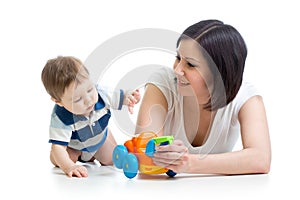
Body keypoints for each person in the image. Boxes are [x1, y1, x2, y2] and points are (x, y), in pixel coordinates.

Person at [135, 19, 271, 175]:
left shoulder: (245, 98)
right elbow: (144, 154)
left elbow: (261, 159)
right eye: (178, 58)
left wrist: (189, 163)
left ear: (219, 73)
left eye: (190, 65)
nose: (177, 70)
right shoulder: (162, 83)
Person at [41, 56, 140, 178]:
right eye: (77, 99)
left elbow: (120, 97)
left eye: (89, 90)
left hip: (99, 140)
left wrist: (129, 97)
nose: (88, 100)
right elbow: (59, 147)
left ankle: (92, 155)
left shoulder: (101, 94)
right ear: (59, 102)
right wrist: (69, 167)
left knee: (111, 160)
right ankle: (56, 157)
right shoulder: (61, 118)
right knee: (66, 158)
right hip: (74, 147)